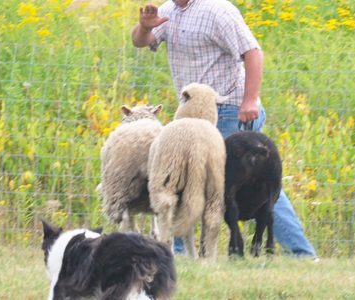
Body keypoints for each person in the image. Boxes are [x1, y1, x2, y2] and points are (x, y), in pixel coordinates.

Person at [131, 0, 317, 258]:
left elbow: (252, 52)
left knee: (258, 183)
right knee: (189, 175)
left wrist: (250, 100)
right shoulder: (167, 11)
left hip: (229, 108)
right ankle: (180, 249)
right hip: (194, 117)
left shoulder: (218, 10)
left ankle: (301, 253)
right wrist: (143, 27)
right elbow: (141, 41)